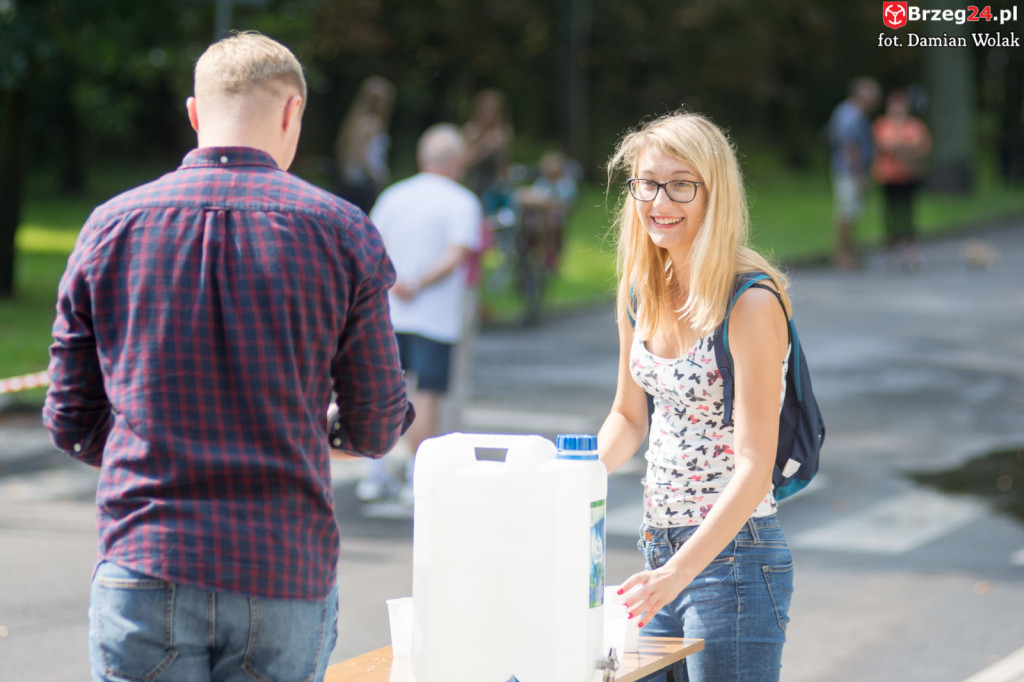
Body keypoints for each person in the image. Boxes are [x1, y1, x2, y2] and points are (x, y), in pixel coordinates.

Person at [42, 32, 414, 682]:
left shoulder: (109, 227)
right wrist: (318, 427)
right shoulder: (342, 231)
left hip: (147, 552)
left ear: (194, 113)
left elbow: (69, 417)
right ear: (292, 112)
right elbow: (378, 423)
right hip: (282, 565)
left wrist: (154, 442)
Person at [597, 111, 794, 682]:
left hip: (734, 560)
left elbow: (756, 465)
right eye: (647, 183)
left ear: (715, 193)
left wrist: (681, 572)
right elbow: (627, 416)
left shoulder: (750, 301)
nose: (660, 200)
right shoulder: (642, 289)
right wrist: (574, 473)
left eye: (681, 184)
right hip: (659, 555)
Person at [355, 123, 482, 504]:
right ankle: (415, 475)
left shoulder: (394, 195)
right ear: (456, 162)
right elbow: (457, 253)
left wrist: (396, 282)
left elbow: (371, 244)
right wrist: (419, 282)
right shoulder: (463, 202)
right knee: (426, 396)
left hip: (389, 313)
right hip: (436, 319)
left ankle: (374, 471)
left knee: (380, 395)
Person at [872, 88, 932, 271]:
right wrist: (907, 148)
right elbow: (884, 145)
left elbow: (924, 146)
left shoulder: (915, 124)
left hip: (909, 176)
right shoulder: (882, 124)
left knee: (909, 213)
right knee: (890, 213)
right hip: (888, 176)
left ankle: (910, 250)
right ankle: (890, 249)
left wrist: (901, 149)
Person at [827, 76, 881, 269]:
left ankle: (849, 252)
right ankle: (842, 255)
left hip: (850, 171)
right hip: (848, 171)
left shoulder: (853, 113)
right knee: (846, 213)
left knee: (851, 212)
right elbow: (849, 145)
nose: (876, 98)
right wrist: (859, 175)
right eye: (872, 93)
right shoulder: (850, 114)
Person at [334, 75, 396, 213]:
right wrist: (375, 177)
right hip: (364, 184)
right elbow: (360, 154)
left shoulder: (355, 121)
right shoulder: (371, 124)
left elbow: (343, 150)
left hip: (350, 180)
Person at [462, 88, 514, 199]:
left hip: (495, 188)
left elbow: (504, 164)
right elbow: (466, 162)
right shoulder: (472, 130)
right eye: (486, 110)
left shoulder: (503, 132)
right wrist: (486, 146)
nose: (489, 115)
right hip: (474, 185)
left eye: (493, 111)